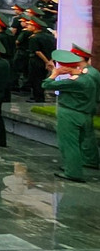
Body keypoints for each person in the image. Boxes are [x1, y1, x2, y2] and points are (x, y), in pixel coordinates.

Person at [44, 50, 98, 182]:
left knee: (68, 144)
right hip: (84, 113)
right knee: (78, 144)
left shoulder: (75, 81)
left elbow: (46, 84)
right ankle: (75, 167)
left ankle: (73, 172)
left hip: (71, 114)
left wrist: (54, 74)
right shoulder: (88, 76)